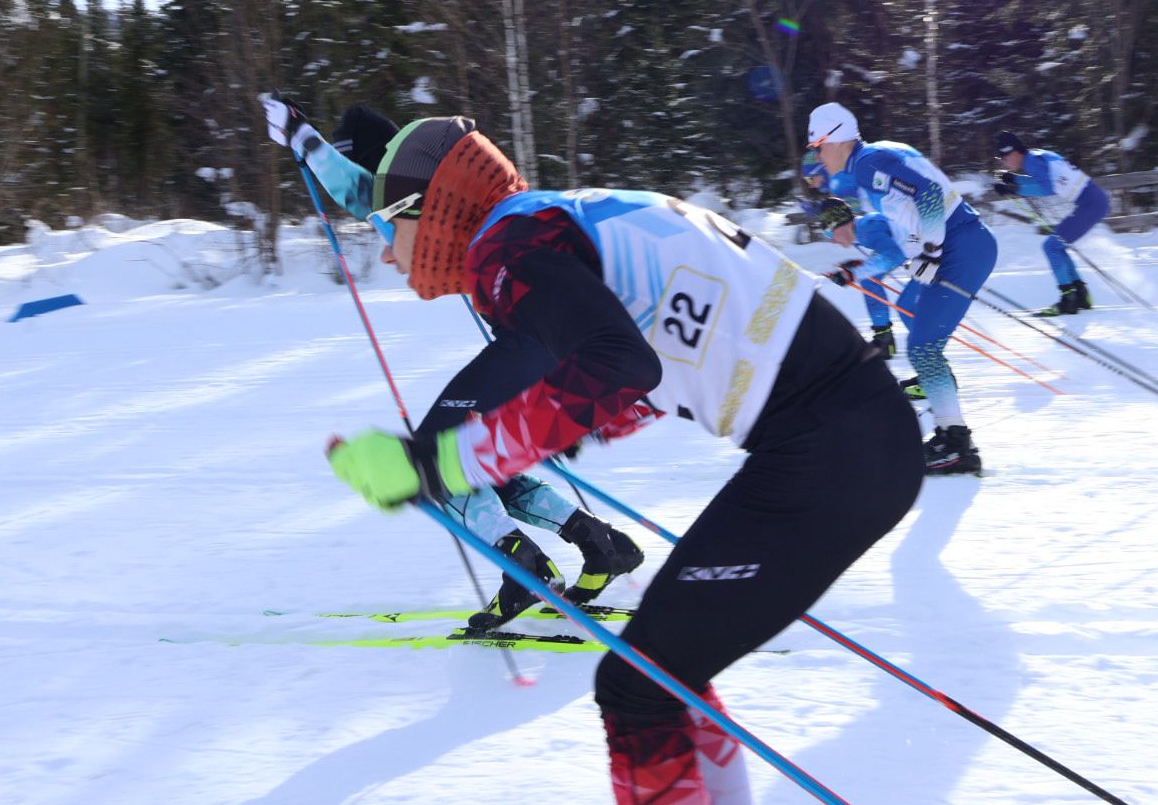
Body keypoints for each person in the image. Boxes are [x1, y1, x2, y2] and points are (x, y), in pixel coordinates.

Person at [322, 114, 923, 803]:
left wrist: (437, 466)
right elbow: (655, 351)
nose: (388, 257)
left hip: (831, 446)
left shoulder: (506, 248)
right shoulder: (545, 223)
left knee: (640, 687)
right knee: (665, 680)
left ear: (436, 210)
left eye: (384, 228)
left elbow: (618, 365)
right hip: (844, 436)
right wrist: (576, 426)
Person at [264, 97, 645, 630]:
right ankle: (599, 544)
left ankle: (523, 568)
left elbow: (353, 190)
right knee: (476, 456)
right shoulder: (436, 191)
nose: (381, 236)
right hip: (551, 334)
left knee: (432, 460)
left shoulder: (402, 194)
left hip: (537, 336)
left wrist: (304, 140)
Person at [808, 101, 996, 476]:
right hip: (959, 244)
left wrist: (930, 250)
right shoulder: (869, 168)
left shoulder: (868, 162)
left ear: (833, 139)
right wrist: (857, 271)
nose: (817, 156)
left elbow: (927, 193)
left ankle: (956, 442)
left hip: (962, 246)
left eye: (817, 147)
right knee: (911, 304)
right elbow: (896, 246)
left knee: (922, 346)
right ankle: (938, 385)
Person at [991, 130, 1111, 316]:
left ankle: (1068, 299)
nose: (1004, 162)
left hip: (1091, 205)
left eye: (1004, 158)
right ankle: (1080, 293)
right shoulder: (1036, 156)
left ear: (1014, 152)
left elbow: (1047, 188)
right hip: (1094, 202)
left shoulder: (1031, 162)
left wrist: (1013, 188)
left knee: (1051, 247)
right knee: (1057, 246)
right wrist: (1014, 179)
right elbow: (1046, 180)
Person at [802, 150, 896, 359]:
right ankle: (884, 337)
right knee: (869, 278)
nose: (810, 184)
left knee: (870, 278)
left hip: (886, 232)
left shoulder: (840, 181)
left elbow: (853, 214)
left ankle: (885, 339)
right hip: (877, 234)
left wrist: (820, 212)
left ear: (819, 169)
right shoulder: (833, 183)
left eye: (810, 177)